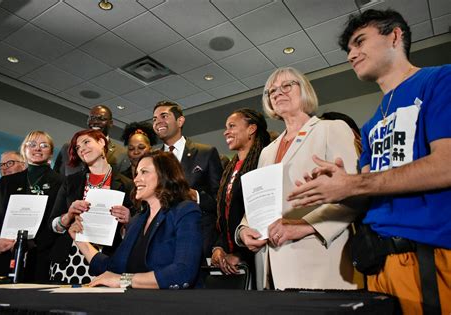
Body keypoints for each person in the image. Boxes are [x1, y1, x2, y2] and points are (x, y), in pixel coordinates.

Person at [288, 9, 451, 314]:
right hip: (379, 264)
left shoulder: (440, 80)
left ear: (395, 36)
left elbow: (446, 165)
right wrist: (339, 185)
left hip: (430, 256)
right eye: (348, 49)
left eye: (360, 42)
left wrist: (355, 182)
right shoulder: (370, 124)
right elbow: (366, 192)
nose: (352, 54)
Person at [237, 67, 360, 290]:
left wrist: (302, 226)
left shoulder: (331, 129)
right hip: (268, 268)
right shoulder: (267, 151)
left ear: (304, 90)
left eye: (286, 86)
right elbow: (259, 201)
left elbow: (355, 195)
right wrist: (244, 230)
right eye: (271, 91)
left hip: (317, 261)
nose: (277, 93)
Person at [68, 151, 202, 289]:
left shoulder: (186, 211)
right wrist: (81, 240)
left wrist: (124, 280)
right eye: (137, 173)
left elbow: (183, 272)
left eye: (144, 172)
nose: (136, 179)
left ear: (165, 175)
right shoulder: (137, 220)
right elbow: (113, 268)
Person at [48, 129, 134, 284]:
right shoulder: (70, 182)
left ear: (102, 142)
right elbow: (53, 226)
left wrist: (128, 220)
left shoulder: (127, 184)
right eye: (78, 147)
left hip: (108, 256)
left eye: (86, 142)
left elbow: (137, 230)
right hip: (70, 256)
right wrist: (68, 216)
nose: (82, 149)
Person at [0, 131, 63, 282]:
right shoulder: (6, 183)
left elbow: (58, 222)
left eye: (44, 145)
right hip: (1, 256)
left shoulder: (62, 183)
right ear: (24, 149)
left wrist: (32, 243)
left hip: (39, 259)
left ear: (50, 153)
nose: (38, 148)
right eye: (32, 144)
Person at [152, 100, 223, 260]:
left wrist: (194, 196)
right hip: (160, 239)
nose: (158, 122)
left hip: (195, 237)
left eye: (164, 116)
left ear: (180, 120)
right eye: (154, 119)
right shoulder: (151, 158)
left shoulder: (206, 153)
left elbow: (220, 201)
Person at [211, 108, 270, 282]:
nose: (225, 132)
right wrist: (219, 248)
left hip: (256, 259)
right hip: (231, 263)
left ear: (251, 129)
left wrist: (240, 255)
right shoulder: (230, 169)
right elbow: (224, 216)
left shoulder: (262, 163)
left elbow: (261, 216)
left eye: (232, 126)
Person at [54, 105, 130, 176]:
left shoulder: (121, 153)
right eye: (92, 118)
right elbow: (56, 179)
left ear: (111, 123)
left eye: (101, 119)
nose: (95, 122)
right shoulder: (68, 148)